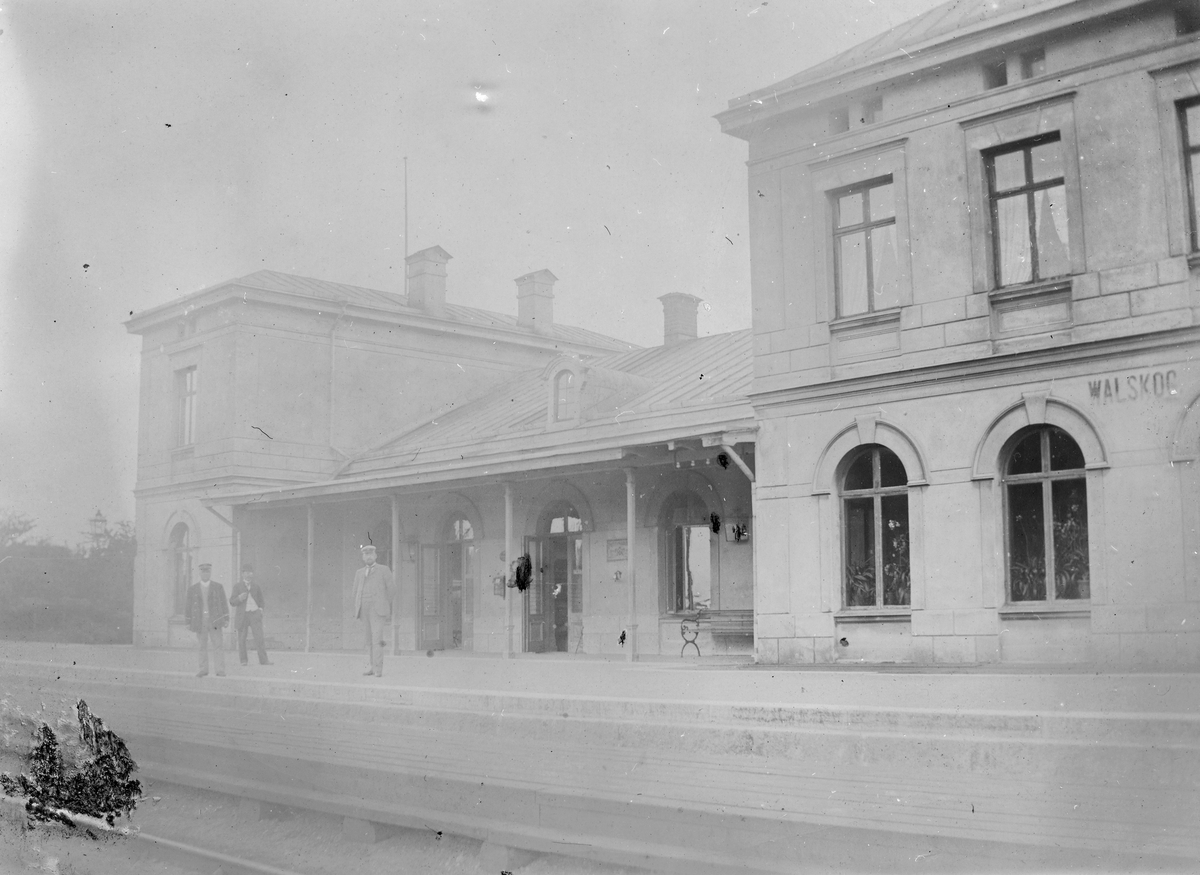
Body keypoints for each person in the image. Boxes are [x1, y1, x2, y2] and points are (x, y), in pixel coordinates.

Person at [352, 544, 393, 677]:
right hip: (364, 609)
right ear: (363, 557)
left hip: (378, 610)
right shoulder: (359, 573)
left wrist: (384, 603)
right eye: (366, 554)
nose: (368, 556)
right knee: (369, 640)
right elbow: (355, 592)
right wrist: (359, 605)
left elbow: (391, 590)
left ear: (375, 556)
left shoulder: (384, 570)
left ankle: (378, 670)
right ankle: (372, 667)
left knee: (377, 639)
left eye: (371, 554)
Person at [184, 562, 229, 677]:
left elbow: (224, 603)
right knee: (201, 646)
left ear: (210, 572)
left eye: (207, 571)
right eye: (203, 572)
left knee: (218, 645)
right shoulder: (192, 589)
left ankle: (220, 670)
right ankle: (203, 669)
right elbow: (188, 607)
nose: (205, 574)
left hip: (215, 620)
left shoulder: (218, 587)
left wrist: (226, 619)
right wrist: (188, 621)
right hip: (200, 621)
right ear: (199, 573)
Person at [229, 563, 272, 666]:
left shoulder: (256, 586)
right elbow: (232, 601)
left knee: (259, 637)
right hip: (242, 616)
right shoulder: (237, 586)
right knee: (242, 639)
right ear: (242, 574)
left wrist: (260, 609)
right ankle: (243, 661)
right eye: (246, 572)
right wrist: (239, 598)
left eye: (250, 572)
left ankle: (264, 660)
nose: (249, 575)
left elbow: (261, 601)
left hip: (254, 615)